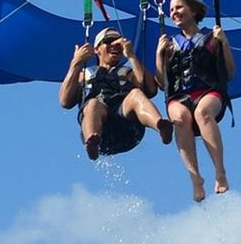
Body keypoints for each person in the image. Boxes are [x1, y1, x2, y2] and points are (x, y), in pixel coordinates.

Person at [156, 0, 233, 201]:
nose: (174, 13)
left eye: (179, 8)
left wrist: (224, 44)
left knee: (202, 113)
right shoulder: (170, 44)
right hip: (179, 95)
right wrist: (159, 54)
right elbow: (161, 81)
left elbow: (229, 72)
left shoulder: (211, 39)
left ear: (193, 11)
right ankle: (196, 179)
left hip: (208, 91)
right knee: (180, 118)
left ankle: (220, 172)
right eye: (171, 10)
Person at [59, 26, 173, 161]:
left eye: (118, 43)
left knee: (136, 93)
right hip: (101, 131)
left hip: (127, 127)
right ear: (97, 49)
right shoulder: (84, 75)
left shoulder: (129, 73)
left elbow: (151, 90)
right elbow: (65, 101)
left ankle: (160, 126)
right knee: (94, 104)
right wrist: (76, 63)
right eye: (108, 41)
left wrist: (131, 55)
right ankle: (92, 141)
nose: (114, 45)